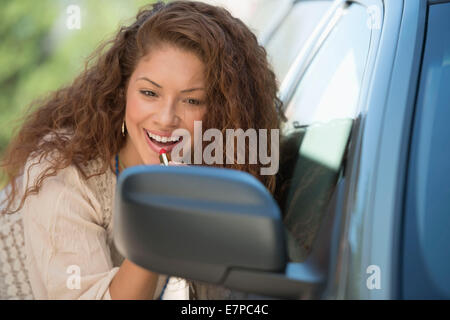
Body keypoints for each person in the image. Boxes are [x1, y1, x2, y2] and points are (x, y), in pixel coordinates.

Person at [0, 0, 283, 299]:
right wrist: (156, 217)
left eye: (192, 100)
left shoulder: (206, 168)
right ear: (122, 91)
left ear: (220, 112)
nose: (165, 118)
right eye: (149, 93)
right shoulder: (62, 172)